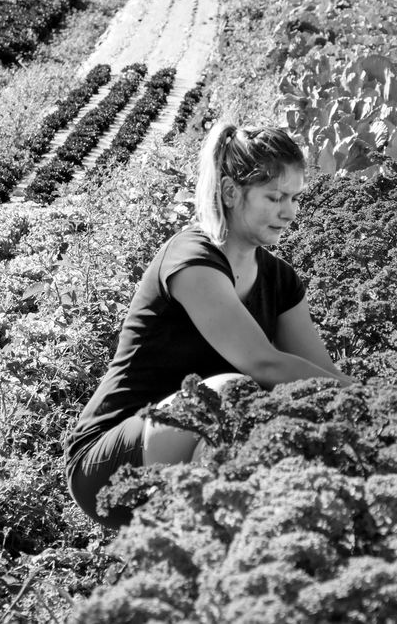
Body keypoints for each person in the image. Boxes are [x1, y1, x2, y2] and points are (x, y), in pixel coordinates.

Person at [64, 121, 356, 529]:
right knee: (224, 395)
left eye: (293, 198)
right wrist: (362, 400)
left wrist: (369, 410)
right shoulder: (191, 260)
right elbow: (265, 364)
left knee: (294, 420)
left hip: (194, 443)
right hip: (112, 459)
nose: (289, 212)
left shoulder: (281, 280)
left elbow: (322, 377)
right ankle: (210, 541)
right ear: (231, 192)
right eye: (275, 197)